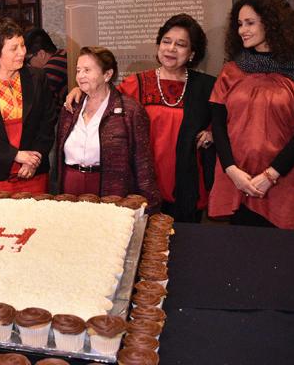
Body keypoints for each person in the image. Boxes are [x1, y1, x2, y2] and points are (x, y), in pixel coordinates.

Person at [65, 14, 215, 222]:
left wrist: (211, 132)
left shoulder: (206, 87)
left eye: (180, 44)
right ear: (158, 45)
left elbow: (227, 122)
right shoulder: (136, 83)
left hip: (186, 183)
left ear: (192, 53)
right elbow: (104, 99)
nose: (171, 49)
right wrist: (80, 90)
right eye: (166, 41)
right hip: (140, 182)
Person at [209, 0, 294, 228]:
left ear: (271, 23)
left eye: (250, 23)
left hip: (284, 180)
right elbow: (218, 124)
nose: (242, 30)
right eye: (239, 24)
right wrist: (231, 170)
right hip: (238, 179)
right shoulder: (231, 70)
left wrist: (271, 175)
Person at [56, 46, 160, 210]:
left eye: (87, 70)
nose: (80, 76)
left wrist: (150, 205)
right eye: (78, 70)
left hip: (109, 189)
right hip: (70, 185)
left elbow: (143, 163)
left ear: (107, 74)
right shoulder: (71, 106)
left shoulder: (130, 110)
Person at [0, 18, 57, 192]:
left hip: (33, 172)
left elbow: (48, 121)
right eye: (14, 48)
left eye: (22, 45)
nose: (22, 52)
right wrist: (15, 155)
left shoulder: (38, 77)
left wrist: (34, 159)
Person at [24, 27, 67, 105]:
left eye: (28, 61)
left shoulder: (53, 67)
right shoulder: (63, 54)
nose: (28, 65)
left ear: (41, 54)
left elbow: (34, 100)